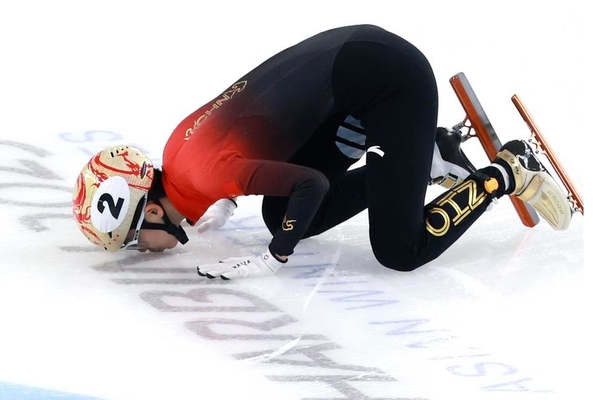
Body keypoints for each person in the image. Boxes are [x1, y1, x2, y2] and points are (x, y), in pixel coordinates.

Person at [72, 24, 572, 280]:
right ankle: (427, 154)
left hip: (391, 82)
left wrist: (275, 258)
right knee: (283, 213)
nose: (145, 249)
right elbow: (251, 128)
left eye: (138, 239)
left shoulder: (203, 175)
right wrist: (227, 196)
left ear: (154, 210)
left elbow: (310, 184)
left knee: (398, 250)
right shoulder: (180, 156)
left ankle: (507, 169)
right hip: (350, 71)